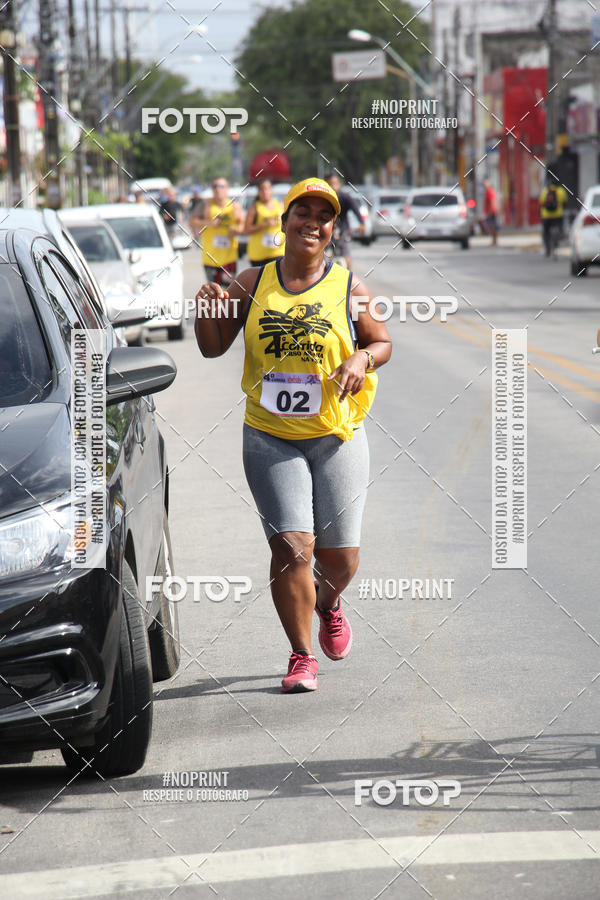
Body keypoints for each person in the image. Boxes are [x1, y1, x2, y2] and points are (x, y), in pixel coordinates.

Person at [194, 177, 392, 693]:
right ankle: (301, 655)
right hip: (270, 435)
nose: (312, 222)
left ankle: (329, 602)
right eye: (301, 213)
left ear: (331, 231)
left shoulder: (348, 285)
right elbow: (213, 348)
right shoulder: (252, 283)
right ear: (283, 224)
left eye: (323, 217)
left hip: (336, 434)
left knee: (340, 557)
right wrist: (207, 309)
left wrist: (361, 356)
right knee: (292, 547)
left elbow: (383, 341)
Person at [194, 177, 244, 285]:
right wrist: (208, 223)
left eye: (221, 186)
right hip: (210, 258)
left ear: (227, 189)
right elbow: (192, 221)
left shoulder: (235, 207)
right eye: (214, 186)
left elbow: (243, 226)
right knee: (213, 293)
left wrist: (236, 231)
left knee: (228, 293)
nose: (218, 189)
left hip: (229, 258)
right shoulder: (205, 205)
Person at [324, 173, 365, 268]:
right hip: (327, 231)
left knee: (346, 253)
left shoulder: (345, 197)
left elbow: (356, 210)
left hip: (343, 230)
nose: (333, 187)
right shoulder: (323, 199)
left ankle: (348, 276)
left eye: (335, 184)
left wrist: (362, 224)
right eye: (330, 184)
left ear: (339, 184)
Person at [244, 179, 285, 266]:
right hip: (259, 255)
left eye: (268, 188)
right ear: (258, 192)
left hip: (277, 252)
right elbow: (246, 230)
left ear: (272, 190)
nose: (265, 192)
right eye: (262, 189)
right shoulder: (254, 208)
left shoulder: (280, 206)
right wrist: (263, 225)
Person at [539, 175, 568, 258]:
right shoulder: (561, 191)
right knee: (560, 227)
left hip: (546, 216)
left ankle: (548, 249)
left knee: (546, 232)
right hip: (558, 215)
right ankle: (558, 237)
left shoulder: (545, 191)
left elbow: (541, 203)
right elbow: (565, 203)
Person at [482, 179, 499, 246]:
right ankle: (494, 240)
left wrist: (490, 212)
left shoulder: (490, 191)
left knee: (493, 226)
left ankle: (494, 240)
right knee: (491, 226)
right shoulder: (487, 191)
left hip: (491, 212)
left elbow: (492, 202)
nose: (484, 186)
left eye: (485, 185)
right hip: (490, 211)